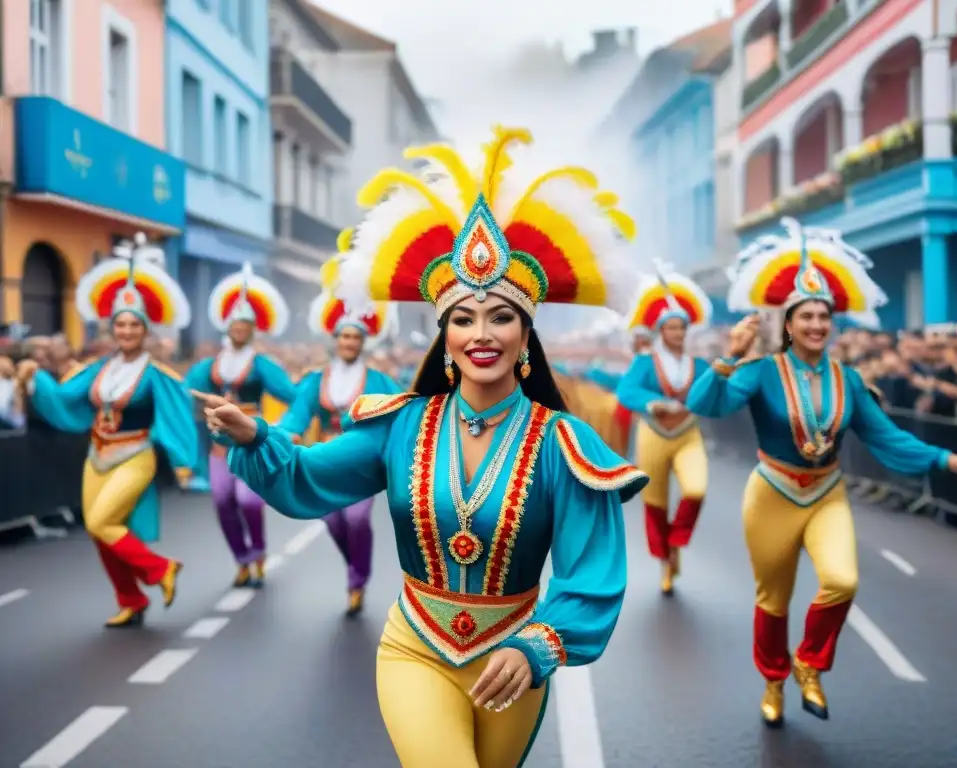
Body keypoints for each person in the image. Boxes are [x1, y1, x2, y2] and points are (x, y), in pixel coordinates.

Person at [197, 125, 647, 768]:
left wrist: (539, 645)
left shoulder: (563, 445)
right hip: (415, 648)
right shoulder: (401, 425)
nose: (481, 333)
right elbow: (307, 479)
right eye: (463, 318)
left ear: (526, 337)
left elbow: (592, 571)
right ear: (446, 337)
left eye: (501, 317)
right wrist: (257, 436)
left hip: (511, 663)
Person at [687, 218, 957, 726]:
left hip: (826, 492)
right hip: (772, 492)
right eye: (805, 316)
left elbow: (886, 436)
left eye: (823, 316)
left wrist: (943, 459)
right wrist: (731, 356)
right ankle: (773, 681)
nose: (816, 325)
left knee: (842, 581)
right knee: (773, 600)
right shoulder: (760, 372)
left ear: (833, 324)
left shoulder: (849, 380)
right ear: (788, 324)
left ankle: (809, 663)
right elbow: (704, 404)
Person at [16, 234, 197, 628]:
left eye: (134, 325)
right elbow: (65, 397)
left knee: (102, 522)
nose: (127, 331)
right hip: (96, 455)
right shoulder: (98, 370)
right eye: (121, 324)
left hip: (135, 455)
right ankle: (131, 599)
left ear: (145, 330)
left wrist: (183, 460)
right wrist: (34, 379)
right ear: (112, 328)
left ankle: (161, 569)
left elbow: (177, 414)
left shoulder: (156, 374)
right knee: (100, 531)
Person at [277, 232, 403, 617]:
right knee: (332, 521)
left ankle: (357, 581)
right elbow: (297, 415)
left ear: (363, 342)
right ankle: (355, 566)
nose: (349, 341)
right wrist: (280, 437)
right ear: (335, 339)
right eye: (344, 336)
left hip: (362, 462)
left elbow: (402, 415)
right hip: (324, 457)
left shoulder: (379, 380)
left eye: (355, 337)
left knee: (357, 518)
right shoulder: (317, 379)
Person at [185, 262, 297, 588]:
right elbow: (184, 393)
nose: (238, 329)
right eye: (234, 324)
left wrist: (282, 427)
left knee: (249, 501)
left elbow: (293, 396)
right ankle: (241, 560)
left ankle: (258, 552)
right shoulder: (210, 365)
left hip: (250, 442)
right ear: (226, 327)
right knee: (222, 501)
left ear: (253, 330)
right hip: (220, 444)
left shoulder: (261, 365)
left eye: (244, 325)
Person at [615, 263, 713, 595]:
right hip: (654, 435)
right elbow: (626, 391)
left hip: (688, 433)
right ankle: (665, 563)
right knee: (655, 504)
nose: (678, 333)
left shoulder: (700, 365)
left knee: (696, 489)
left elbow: (715, 391)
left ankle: (676, 541)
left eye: (682, 328)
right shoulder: (645, 362)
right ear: (661, 331)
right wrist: (654, 402)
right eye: (671, 328)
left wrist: (728, 371)